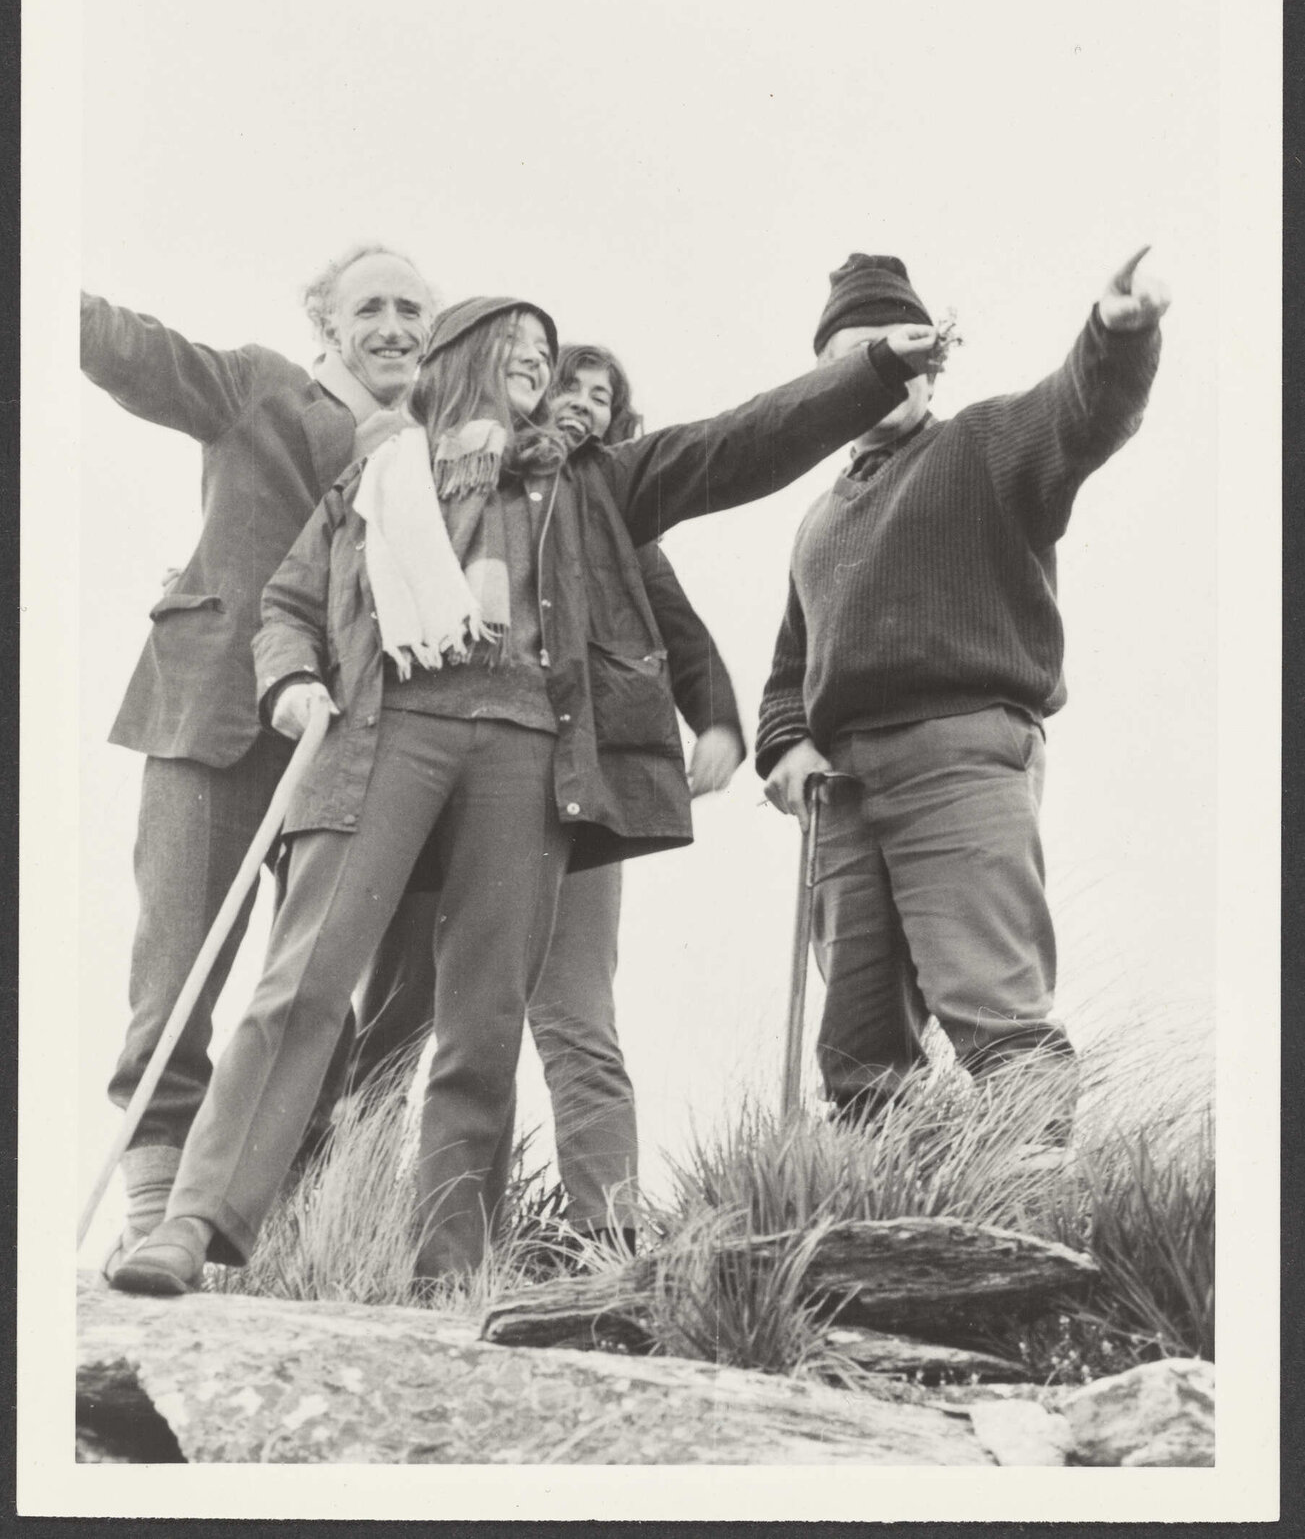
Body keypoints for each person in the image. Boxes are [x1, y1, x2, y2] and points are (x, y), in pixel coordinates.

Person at [109, 292, 933, 1294]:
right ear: (458, 357)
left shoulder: (592, 479)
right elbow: (288, 600)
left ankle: (449, 1269)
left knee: (486, 1016)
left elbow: (737, 445)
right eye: (519, 344)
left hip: (527, 752)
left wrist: (873, 370)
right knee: (304, 983)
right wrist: (289, 676)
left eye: (548, 351)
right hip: (384, 738)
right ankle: (190, 1226)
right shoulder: (375, 476)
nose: (540, 362)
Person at [758, 247, 1169, 1150]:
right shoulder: (814, 522)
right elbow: (790, 668)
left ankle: (1029, 1212)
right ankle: (879, 1239)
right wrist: (785, 744)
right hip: (841, 793)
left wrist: (1115, 335)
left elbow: (1078, 413)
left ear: (929, 362)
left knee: (994, 1009)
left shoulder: (982, 443)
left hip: (958, 753)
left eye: (898, 349)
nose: (879, 373)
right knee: (859, 1050)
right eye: (853, 359)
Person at [81, 246, 439, 1273]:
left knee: (316, 985)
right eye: (369, 305)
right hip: (219, 711)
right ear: (325, 322)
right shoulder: (256, 386)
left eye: (413, 308)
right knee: (181, 962)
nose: (394, 325)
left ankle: (265, 1220)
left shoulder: (432, 453)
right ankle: (152, 1209)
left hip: (362, 744)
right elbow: (135, 353)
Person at [349, 342, 747, 1246]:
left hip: (569, 803)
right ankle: (358, 1220)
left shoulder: (607, 513)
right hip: (437, 797)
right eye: (568, 384)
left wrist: (717, 718)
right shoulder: (439, 482)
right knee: (405, 1018)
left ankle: (604, 1239)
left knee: (573, 1019)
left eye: (603, 398)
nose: (582, 406)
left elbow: (676, 626)